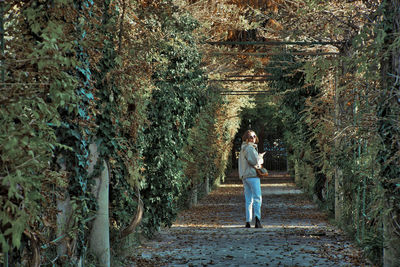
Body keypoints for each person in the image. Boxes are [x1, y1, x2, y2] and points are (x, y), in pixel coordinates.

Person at [238, 130, 263, 228]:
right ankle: (257, 220)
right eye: (251, 137)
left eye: (254, 136)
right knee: (257, 198)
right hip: (252, 176)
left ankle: (248, 221)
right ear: (246, 138)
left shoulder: (242, 148)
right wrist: (260, 158)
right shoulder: (249, 148)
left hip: (245, 176)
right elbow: (254, 161)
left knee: (248, 199)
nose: (253, 138)